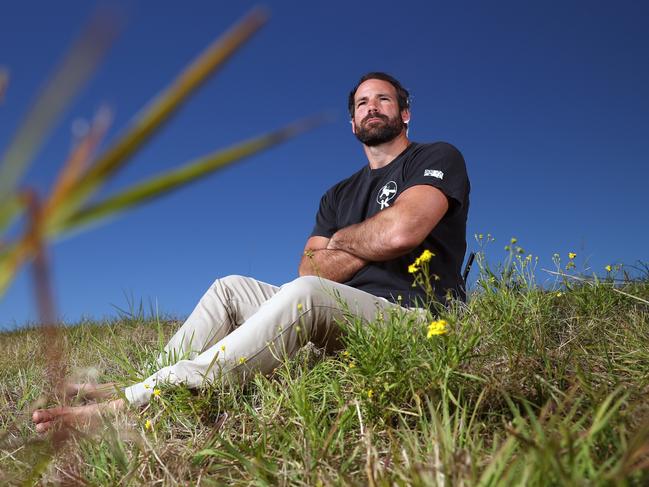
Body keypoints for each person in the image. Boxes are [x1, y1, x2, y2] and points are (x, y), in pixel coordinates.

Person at [32, 72, 470, 432]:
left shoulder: (436, 156)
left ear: (405, 113)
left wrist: (341, 242)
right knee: (230, 288)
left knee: (311, 294)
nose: (371, 107)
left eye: (383, 100)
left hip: (416, 320)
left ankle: (136, 405)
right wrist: (372, 236)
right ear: (352, 123)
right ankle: (142, 379)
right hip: (344, 314)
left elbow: (402, 232)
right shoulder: (337, 195)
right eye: (361, 103)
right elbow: (307, 266)